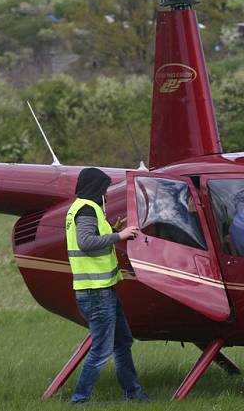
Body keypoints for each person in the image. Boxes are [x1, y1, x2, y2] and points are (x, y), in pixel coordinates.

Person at [65, 167, 150, 404]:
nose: (106, 194)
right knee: (101, 351)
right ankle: (79, 401)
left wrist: (112, 230)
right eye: (104, 189)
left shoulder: (82, 208)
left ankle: (133, 394)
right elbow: (86, 242)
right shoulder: (87, 209)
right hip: (95, 292)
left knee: (122, 342)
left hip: (103, 289)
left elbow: (91, 238)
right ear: (95, 189)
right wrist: (119, 236)